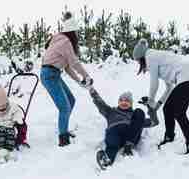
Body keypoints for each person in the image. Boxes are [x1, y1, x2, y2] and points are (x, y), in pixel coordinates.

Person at [133, 38, 189, 154]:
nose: (139, 64)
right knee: (168, 109)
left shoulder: (150, 56)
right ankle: (169, 137)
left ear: (141, 57)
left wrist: (150, 101)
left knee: (179, 112)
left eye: (138, 61)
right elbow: (169, 88)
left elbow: (154, 83)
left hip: (186, 77)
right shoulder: (160, 59)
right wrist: (157, 105)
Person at [41, 12, 93, 147]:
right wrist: (86, 76)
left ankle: (63, 129)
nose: (77, 35)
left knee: (71, 100)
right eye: (76, 32)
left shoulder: (59, 39)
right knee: (64, 107)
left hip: (53, 73)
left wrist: (80, 81)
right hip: (49, 74)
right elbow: (75, 63)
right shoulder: (65, 41)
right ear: (72, 32)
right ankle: (63, 138)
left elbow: (68, 67)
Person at [89, 87, 159, 169]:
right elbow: (100, 104)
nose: (124, 102)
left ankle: (128, 146)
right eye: (121, 100)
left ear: (131, 103)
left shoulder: (135, 116)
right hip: (114, 133)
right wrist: (93, 92)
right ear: (118, 102)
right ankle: (107, 161)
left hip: (130, 135)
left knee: (139, 112)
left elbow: (154, 122)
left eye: (127, 101)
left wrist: (151, 108)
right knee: (112, 141)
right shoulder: (111, 111)